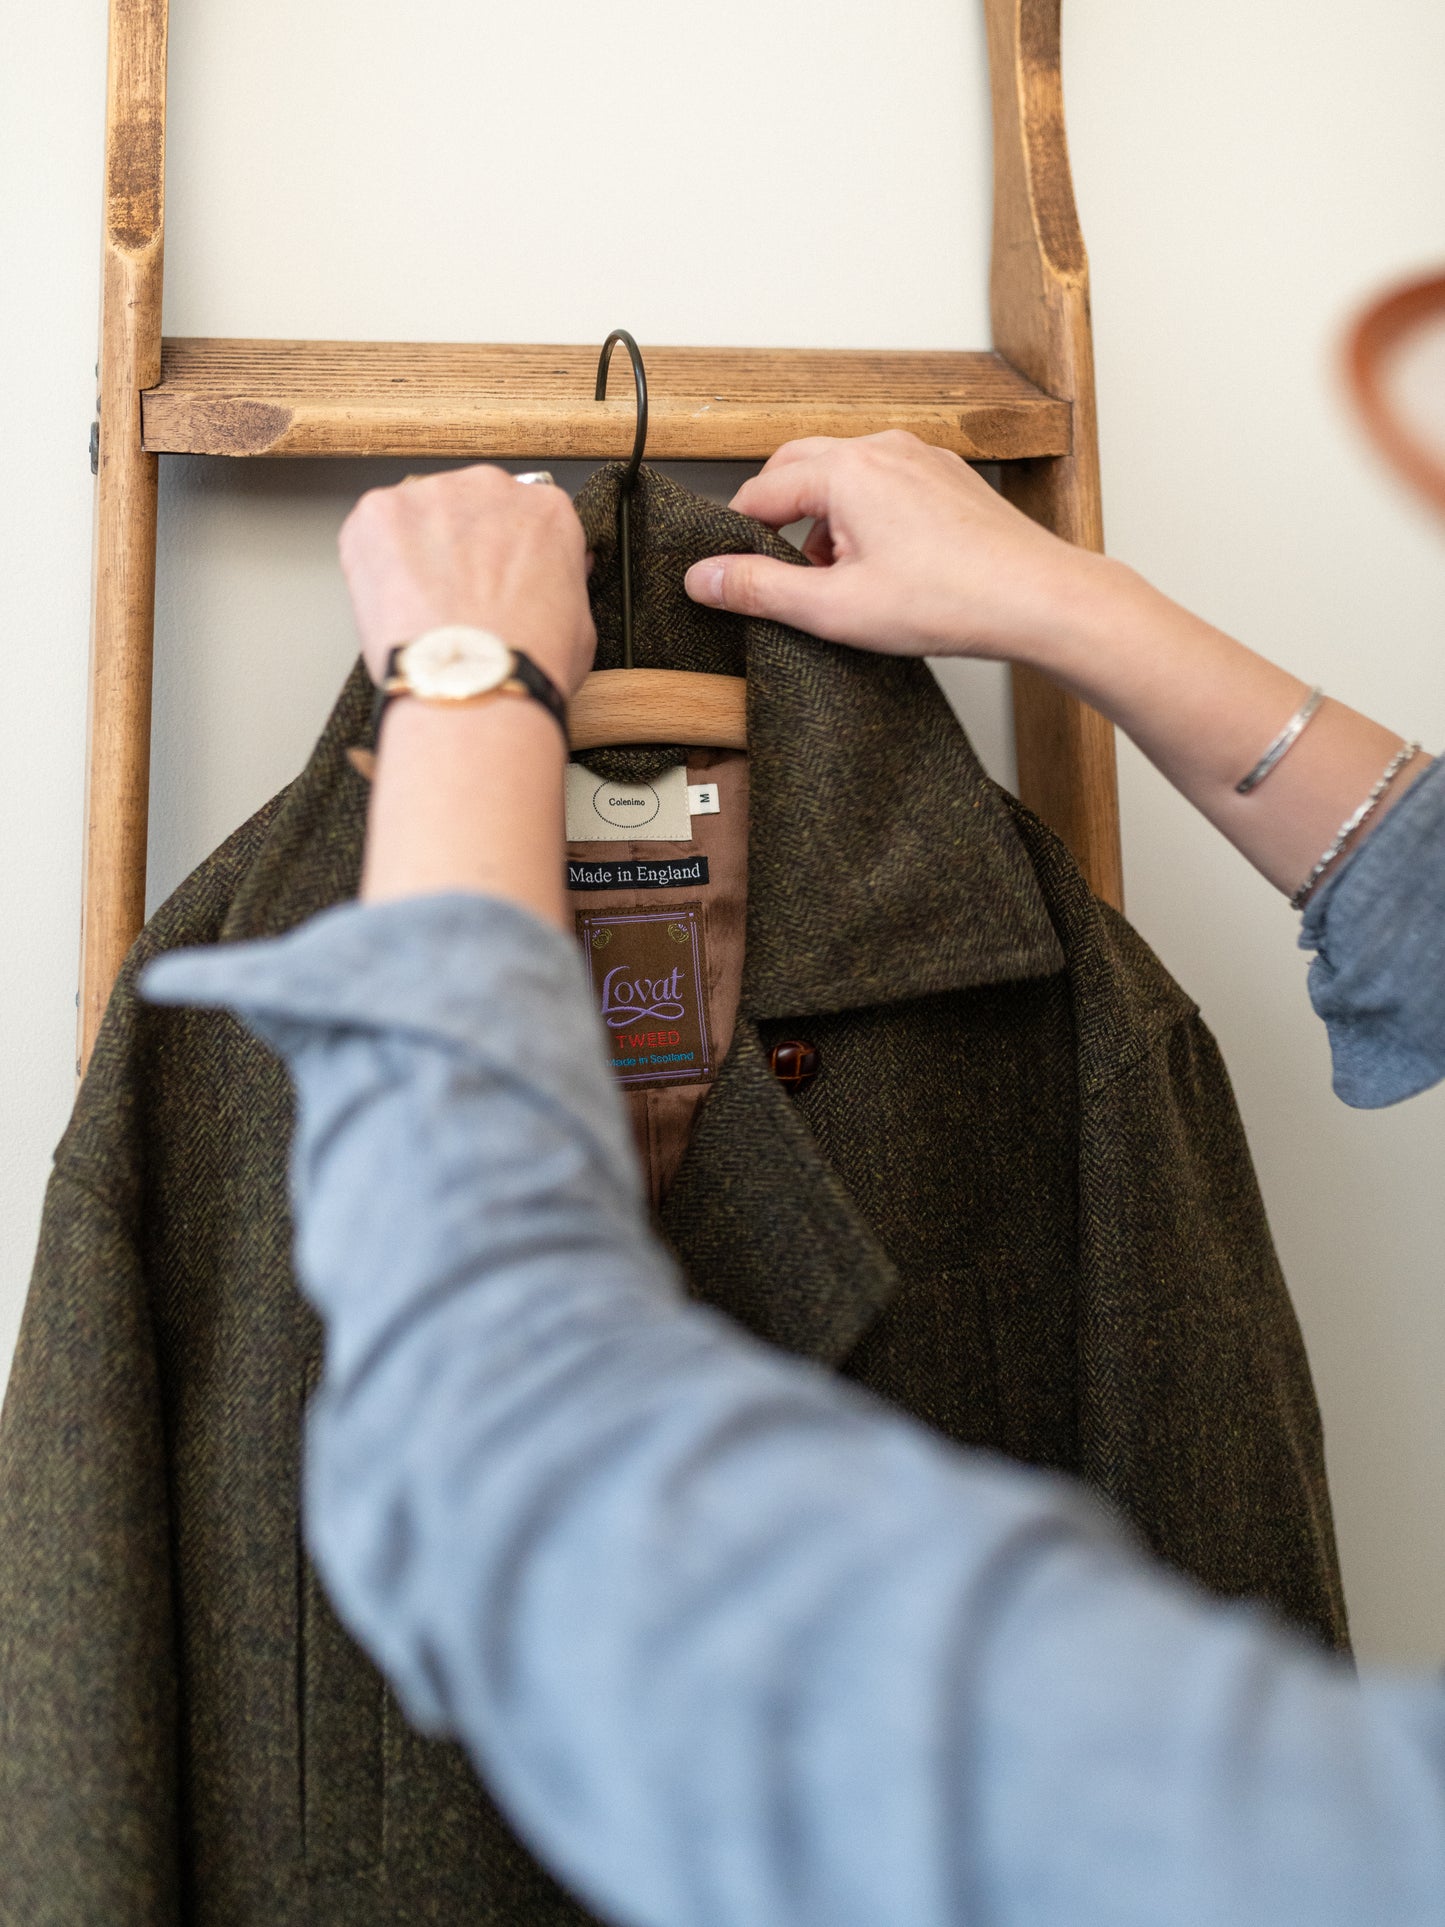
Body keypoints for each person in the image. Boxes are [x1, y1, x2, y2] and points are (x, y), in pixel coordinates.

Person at [145, 435, 1445, 1927]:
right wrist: (1080, 606)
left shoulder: (1066, 1024)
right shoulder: (207, 1028)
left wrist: (464, 695)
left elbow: (509, 1462)